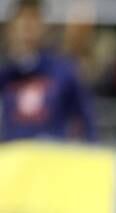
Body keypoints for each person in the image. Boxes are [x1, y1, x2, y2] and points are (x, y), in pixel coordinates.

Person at [0, 0, 96, 142]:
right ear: (11, 28)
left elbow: (87, 121)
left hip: (52, 153)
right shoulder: (6, 75)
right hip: (14, 153)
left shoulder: (63, 71)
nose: (27, 30)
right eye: (23, 22)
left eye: (33, 21)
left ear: (43, 26)